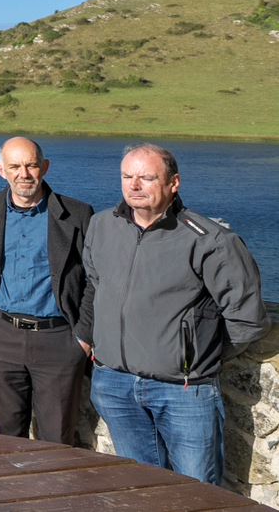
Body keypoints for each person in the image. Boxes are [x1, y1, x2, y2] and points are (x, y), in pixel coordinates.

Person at [81, 143, 268, 485]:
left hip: (183, 391)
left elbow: (247, 319)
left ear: (174, 183)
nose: (134, 185)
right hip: (114, 384)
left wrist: (194, 356)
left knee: (197, 489)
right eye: (127, 176)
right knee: (140, 486)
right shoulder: (101, 226)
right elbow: (96, 286)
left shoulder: (211, 241)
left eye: (147, 177)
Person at [0, 136, 93, 444]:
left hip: (58, 340)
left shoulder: (78, 214)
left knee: (57, 439)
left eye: (31, 165)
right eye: (15, 166)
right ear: (0, 170)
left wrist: (83, 337)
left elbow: (94, 279)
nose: (24, 174)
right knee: (5, 437)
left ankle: (56, 492)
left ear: (45, 167)